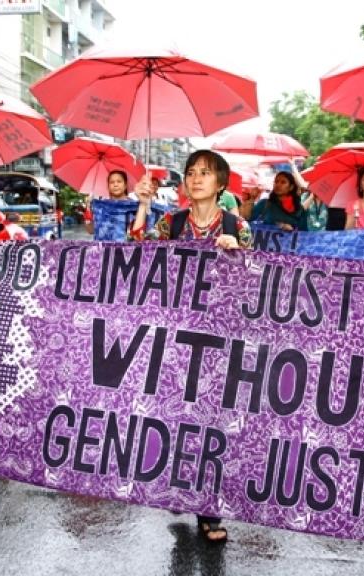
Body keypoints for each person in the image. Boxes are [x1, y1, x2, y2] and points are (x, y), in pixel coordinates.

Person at [128, 150, 251, 543]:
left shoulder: (237, 225)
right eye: (190, 172)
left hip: (220, 341)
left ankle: (210, 510)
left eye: (205, 173)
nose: (196, 178)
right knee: (179, 419)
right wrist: (144, 205)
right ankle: (183, 488)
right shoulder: (172, 222)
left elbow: (257, 284)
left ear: (221, 183)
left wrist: (239, 256)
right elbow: (137, 256)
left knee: (212, 421)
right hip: (177, 338)